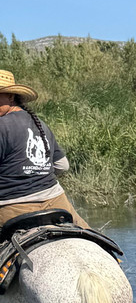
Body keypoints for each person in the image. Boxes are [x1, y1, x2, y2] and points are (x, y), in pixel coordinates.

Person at [0, 69, 87, 230]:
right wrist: (36, 173)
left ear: (11, 96)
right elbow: (63, 166)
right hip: (56, 201)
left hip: (11, 208)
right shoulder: (39, 123)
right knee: (97, 242)